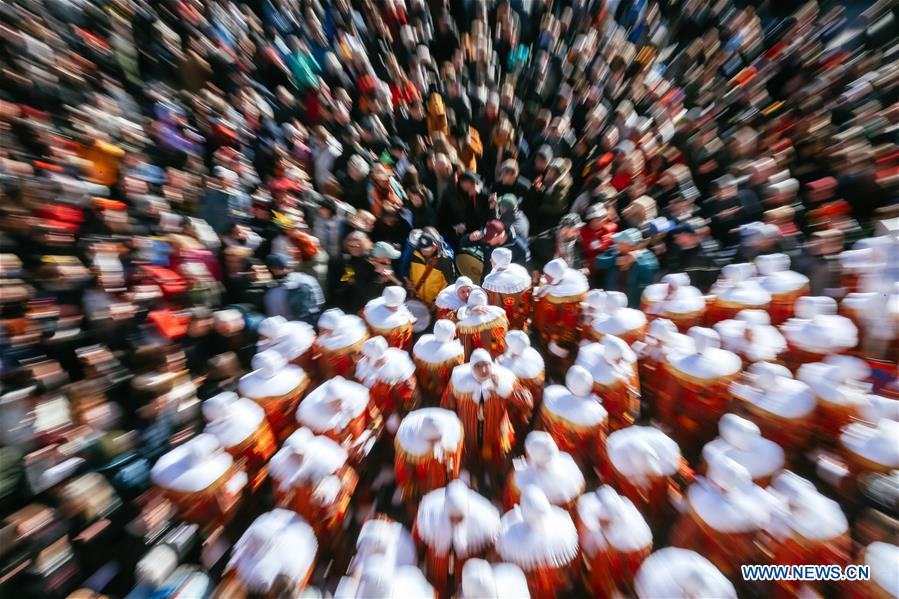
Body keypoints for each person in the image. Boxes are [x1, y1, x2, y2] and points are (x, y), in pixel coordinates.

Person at [595, 229, 660, 308]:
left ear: (631, 245)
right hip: (610, 300)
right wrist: (616, 260)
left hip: (631, 303)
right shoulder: (614, 250)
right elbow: (598, 262)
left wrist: (636, 261)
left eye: (620, 242)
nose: (616, 243)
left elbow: (650, 277)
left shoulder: (646, 257)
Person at [263, 254, 325, 325]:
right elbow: (320, 303)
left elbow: (274, 318)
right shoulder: (309, 278)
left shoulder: (274, 292)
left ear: (273, 269)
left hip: (293, 327)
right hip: (314, 323)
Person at [461, 220, 529, 278]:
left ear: (499, 235)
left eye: (489, 239)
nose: (487, 241)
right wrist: (470, 238)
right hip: (486, 279)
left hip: (505, 283)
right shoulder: (484, 238)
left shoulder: (518, 247)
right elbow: (463, 244)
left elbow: (524, 271)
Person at [406, 232, 456, 306]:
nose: (423, 252)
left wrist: (437, 301)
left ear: (434, 247)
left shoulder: (445, 261)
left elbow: (450, 283)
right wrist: (409, 281)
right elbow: (409, 271)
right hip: (416, 297)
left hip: (434, 303)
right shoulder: (415, 254)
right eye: (421, 249)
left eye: (426, 250)